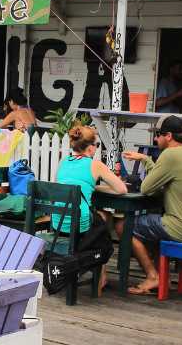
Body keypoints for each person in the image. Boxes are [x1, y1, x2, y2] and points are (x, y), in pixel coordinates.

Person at [120, 116, 182, 295]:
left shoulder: (170, 155)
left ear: (168, 136)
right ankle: (160, 274)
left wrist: (146, 162)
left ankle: (153, 277)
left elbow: (147, 187)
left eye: (158, 135)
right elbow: (164, 182)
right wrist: (146, 159)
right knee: (153, 223)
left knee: (124, 226)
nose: (156, 139)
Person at [53, 125, 128, 293]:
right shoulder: (95, 165)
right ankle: (94, 275)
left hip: (58, 223)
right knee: (103, 235)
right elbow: (122, 189)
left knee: (100, 219)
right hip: (78, 225)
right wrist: (99, 186)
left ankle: (100, 275)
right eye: (96, 145)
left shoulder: (63, 162)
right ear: (90, 147)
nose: (96, 148)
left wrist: (94, 187)